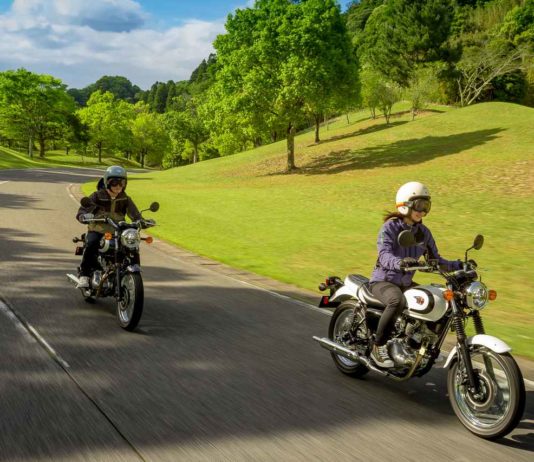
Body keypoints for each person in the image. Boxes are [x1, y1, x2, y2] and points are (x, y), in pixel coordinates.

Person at [368, 181, 461, 368]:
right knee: (397, 301)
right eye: (419, 205)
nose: (422, 211)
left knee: (437, 301)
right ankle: (378, 347)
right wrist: (400, 263)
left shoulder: (423, 233)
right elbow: (384, 255)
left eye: (426, 206)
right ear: (405, 204)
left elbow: (436, 260)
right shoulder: (390, 228)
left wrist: (460, 265)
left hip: (405, 282)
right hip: (383, 281)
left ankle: (419, 346)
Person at [76, 166, 142, 288]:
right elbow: (82, 210)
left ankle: (134, 268)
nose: (118, 186)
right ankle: (84, 275)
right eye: (114, 182)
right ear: (107, 182)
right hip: (98, 230)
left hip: (118, 231)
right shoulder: (97, 196)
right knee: (91, 243)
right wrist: (83, 216)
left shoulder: (125, 198)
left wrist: (141, 221)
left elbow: (135, 214)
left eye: (122, 182)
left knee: (132, 243)